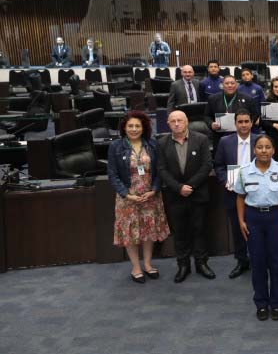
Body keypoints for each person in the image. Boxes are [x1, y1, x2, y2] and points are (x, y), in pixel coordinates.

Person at [235, 135, 278, 321]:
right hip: (253, 218)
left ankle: (277, 303)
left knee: (277, 263)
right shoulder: (244, 171)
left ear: (273, 150)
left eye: (268, 147)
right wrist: (241, 221)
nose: (264, 150)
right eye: (260, 147)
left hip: (276, 217)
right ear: (254, 150)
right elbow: (239, 196)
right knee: (258, 262)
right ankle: (261, 303)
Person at [107, 111, 170, 283]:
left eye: (137, 126)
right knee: (131, 233)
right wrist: (127, 194)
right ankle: (136, 266)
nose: (134, 129)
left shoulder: (152, 144)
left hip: (150, 196)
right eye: (130, 126)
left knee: (149, 231)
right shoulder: (116, 146)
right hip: (128, 198)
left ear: (144, 128)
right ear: (124, 128)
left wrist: (155, 189)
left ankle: (148, 264)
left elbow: (160, 170)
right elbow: (112, 174)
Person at [157, 110, 215, 283]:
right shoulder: (161, 143)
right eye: (173, 121)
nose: (176, 124)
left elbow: (207, 165)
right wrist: (179, 187)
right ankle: (183, 265)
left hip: (197, 194)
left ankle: (201, 263)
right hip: (175, 195)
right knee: (180, 232)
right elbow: (161, 169)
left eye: (180, 120)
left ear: (187, 122)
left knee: (199, 230)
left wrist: (191, 186)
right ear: (168, 123)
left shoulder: (201, 139)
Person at [214, 109, 260, 279]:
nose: (243, 125)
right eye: (240, 122)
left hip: (257, 194)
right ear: (235, 124)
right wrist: (225, 180)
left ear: (251, 122)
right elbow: (218, 165)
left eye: (246, 121)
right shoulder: (225, 142)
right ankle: (241, 261)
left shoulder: (259, 140)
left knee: (255, 229)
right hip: (233, 193)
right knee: (237, 228)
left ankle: (257, 261)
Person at [206, 75, 259, 144]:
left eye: (232, 83)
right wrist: (211, 124)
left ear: (237, 85)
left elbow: (255, 115)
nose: (230, 85)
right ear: (222, 85)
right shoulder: (213, 99)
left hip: (242, 136)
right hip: (220, 137)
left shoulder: (248, 99)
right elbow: (206, 116)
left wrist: (247, 124)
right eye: (227, 83)